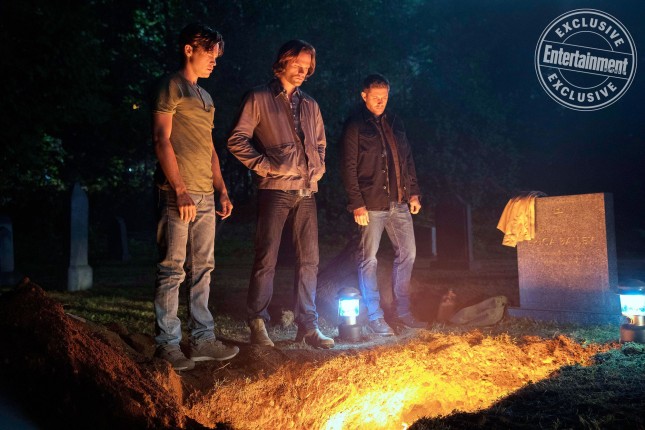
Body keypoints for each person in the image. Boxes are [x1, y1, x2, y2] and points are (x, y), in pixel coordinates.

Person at [227, 40, 334, 349]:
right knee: (267, 257)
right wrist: (265, 166)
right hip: (275, 190)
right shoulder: (259, 97)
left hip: (306, 191)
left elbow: (320, 143)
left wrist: (319, 166)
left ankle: (308, 326)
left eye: (307, 67)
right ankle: (258, 323)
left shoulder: (310, 104)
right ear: (283, 62)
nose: (302, 71)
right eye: (297, 64)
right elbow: (236, 139)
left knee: (309, 261)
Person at [152, 23, 239, 371]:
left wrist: (222, 189)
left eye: (217, 57)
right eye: (209, 54)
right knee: (172, 269)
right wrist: (180, 190)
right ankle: (167, 345)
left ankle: (202, 340)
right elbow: (161, 139)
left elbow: (209, 148)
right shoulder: (171, 86)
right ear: (189, 49)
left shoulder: (206, 97)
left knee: (203, 268)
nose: (214, 62)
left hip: (205, 194)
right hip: (178, 194)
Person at [340, 73, 426, 335]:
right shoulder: (355, 125)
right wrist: (356, 203)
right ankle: (375, 315)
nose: (380, 101)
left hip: (399, 202)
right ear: (364, 95)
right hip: (371, 203)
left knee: (408, 253)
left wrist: (413, 192)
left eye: (385, 97)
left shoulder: (395, 122)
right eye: (376, 97)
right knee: (369, 259)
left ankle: (402, 311)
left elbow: (407, 159)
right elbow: (348, 166)